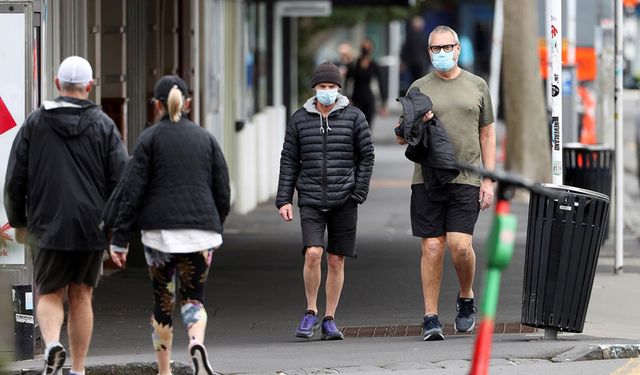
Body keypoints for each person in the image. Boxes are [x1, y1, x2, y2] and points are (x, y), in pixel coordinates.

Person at [4, 56, 128, 375]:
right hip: (91, 225)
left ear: (57, 84)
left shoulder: (35, 122)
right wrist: (114, 227)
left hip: (47, 224)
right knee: (81, 295)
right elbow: (121, 181)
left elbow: (15, 177)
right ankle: (79, 369)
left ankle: (50, 345)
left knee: (49, 292)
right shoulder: (104, 125)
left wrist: (19, 221)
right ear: (90, 86)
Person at [107, 75, 230, 375]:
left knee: (162, 302)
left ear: (158, 105)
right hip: (202, 232)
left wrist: (119, 239)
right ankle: (195, 342)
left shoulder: (149, 139)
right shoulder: (206, 139)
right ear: (187, 102)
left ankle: (164, 371)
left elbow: (132, 191)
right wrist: (215, 224)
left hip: (159, 235)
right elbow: (222, 190)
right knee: (194, 300)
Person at [395, 26, 496, 341]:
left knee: (459, 245)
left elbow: (488, 133)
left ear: (457, 49)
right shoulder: (418, 88)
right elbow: (401, 137)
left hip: (467, 176)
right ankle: (430, 317)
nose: (441, 53)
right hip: (427, 178)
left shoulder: (477, 86)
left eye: (446, 47)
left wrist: (488, 180)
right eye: (435, 49)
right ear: (429, 52)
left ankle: (466, 295)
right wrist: (413, 125)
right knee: (433, 246)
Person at [276, 62, 374, 341]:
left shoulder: (355, 117)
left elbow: (366, 155)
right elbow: (289, 160)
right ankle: (310, 311)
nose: (327, 91)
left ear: (339, 89)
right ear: (315, 89)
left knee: (335, 260)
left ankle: (329, 318)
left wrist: (359, 191)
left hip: (345, 198)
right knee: (313, 253)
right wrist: (284, 198)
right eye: (322, 87)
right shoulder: (299, 120)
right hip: (310, 198)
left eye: (332, 87)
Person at [346, 38, 388, 131]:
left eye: (368, 47)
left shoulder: (374, 65)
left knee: (368, 127)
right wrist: (346, 97)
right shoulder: (354, 64)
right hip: (356, 99)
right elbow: (348, 81)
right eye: (364, 47)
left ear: (372, 49)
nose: (365, 49)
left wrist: (383, 103)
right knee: (356, 126)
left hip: (369, 99)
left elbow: (381, 83)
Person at [400, 16, 430, 86]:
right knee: (422, 81)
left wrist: (404, 62)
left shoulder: (410, 38)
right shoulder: (425, 38)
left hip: (412, 63)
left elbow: (405, 51)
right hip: (423, 63)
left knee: (414, 81)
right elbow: (428, 50)